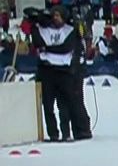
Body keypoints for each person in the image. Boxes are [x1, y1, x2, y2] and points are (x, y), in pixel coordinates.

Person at [29, 7, 91, 140]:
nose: (55, 18)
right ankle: (53, 134)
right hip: (47, 71)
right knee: (48, 104)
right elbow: (37, 42)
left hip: (66, 71)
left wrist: (47, 49)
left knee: (66, 104)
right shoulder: (42, 29)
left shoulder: (70, 29)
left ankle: (68, 133)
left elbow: (67, 47)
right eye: (54, 15)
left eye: (58, 15)